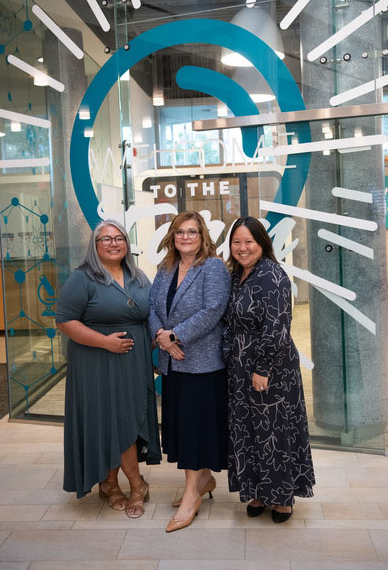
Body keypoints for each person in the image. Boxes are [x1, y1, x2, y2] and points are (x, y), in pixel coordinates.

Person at [56, 219, 161, 518]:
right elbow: (64, 321)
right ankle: (131, 485)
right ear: (95, 245)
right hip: (96, 363)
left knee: (129, 418)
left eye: (119, 238)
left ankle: (111, 482)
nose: (114, 243)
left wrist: (153, 346)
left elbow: (150, 316)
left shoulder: (138, 276)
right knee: (107, 421)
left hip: (132, 363)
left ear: (127, 244)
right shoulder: (83, 278)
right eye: (106, 239)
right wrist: (105, 342)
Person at [224, 216, 315, 522]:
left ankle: (283, 498)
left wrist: (262, 367)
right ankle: (259, 492)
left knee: (274, 430)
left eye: (249, 241)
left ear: (262, 243)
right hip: (239, 366)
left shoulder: (272, 275)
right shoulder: (236, 275)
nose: (242, 248)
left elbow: (277, 327)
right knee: (250, 430)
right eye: (236, 242)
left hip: (271, 366)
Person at [149, 211, 231, 533]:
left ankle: (190, 497)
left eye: (192, 232)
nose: (186, 237)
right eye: (180, 232)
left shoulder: (213, 268)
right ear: (172, 237)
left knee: (196, 429)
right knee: (183, 427)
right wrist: (162, 338)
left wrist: (174, 336)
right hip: (173, 363)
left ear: (203, 236)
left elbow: (213, 311)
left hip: (203, 364)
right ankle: (205, 480)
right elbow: (152, 309)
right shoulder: (165, 268)